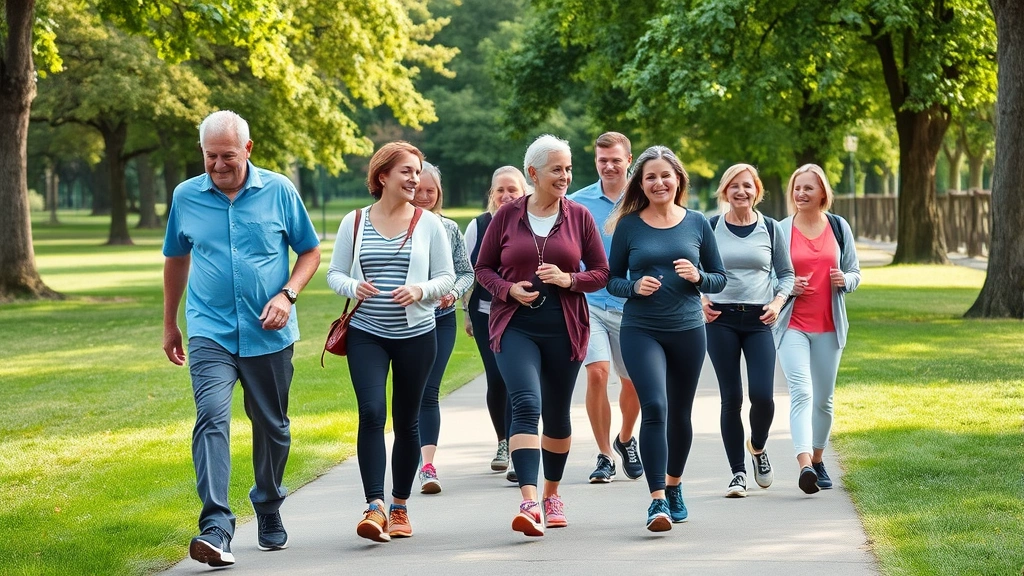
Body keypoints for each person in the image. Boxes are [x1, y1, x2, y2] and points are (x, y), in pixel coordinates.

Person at [162, 110, 322, 567]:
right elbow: (176, 259)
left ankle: (268, 506)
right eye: (210, 156)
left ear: (247, 149)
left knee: (273, 426)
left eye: (227, 155)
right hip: (209, 329)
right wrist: (170, 323)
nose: (217, 165)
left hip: (268, 332)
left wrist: (287, 295)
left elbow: (309, 250)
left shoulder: (278, 191)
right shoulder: (186, 196)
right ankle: (215, 526)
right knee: (211, 417)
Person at [474, 134, 610, 537]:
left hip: (564, 327)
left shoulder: (580, 216)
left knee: (556, 412)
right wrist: (507, 289)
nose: (565, 175)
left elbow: (601, 272)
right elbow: (482, 268)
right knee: (526, 402)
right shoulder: (507, 216)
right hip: (515, 325)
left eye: (568, 168)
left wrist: (570, 279)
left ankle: (552, 494)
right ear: (533, 173)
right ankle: (529, 501)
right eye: (557, 169)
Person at [326, 142, 455, 542]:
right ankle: (373, 506)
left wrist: (420, 290)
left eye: (417, 172)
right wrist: (353, 285)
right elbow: (334, 273)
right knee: (371, 412)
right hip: (367, 333)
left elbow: (447, 278)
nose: (415, 179)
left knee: (407, 420)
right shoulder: (354, 221)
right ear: (383, 176)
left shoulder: (429, 224)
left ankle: (399, 507)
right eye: (407, 171)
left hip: (417, 335)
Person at [605, 145, 726, 531]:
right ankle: (657, 500)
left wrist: (698, 277)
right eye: (650, 177)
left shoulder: (697, 223)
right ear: (641, 183)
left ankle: (674, 486)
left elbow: (719, 278)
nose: (659, 182)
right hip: (641, 329)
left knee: (679, 412)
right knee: (655, 406)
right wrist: (634, 285)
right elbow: (612, 280)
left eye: (665, 176)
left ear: (678, 180)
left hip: (688, 329)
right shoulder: (629, 225)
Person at [702, 164, 794, 498]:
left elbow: (786, 274)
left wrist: (778, 301)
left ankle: (757, 446)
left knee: (763, 396)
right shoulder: (710, 227)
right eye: (733, 186)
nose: (740, 192)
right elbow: (695, 271)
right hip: (720, 320)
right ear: (724, 191)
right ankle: (737, 474)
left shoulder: (770, 229)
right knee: (732, 398)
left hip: (759, 320)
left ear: (757, 190)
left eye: (747, 186)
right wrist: (701, 299)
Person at [773, 164, 860, 494]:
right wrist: (787, 285)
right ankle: (805, 464)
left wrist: (845, 281)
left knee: (823, 400)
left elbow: (854, 271)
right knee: (802, 391)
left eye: (808, 188)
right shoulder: (781, 230)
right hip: (792, 325)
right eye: (797, 187)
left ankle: (820, 459)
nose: (801, 193)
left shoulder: (838, 227)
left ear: (823, 193)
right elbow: (769, 277)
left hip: (829, 325)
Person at [568, 132, 643, 483]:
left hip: (634, 306)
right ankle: (604, 455)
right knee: (597, 372)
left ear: (629, 159)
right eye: (602, 161)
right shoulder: (577, 203)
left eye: (616, 159)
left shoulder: (644, 199)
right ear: (595, 162)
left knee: (634, 383)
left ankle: (625, 438)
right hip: (591, 303)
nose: (609, 166)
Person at [462, 166, 528, 481]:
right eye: (499, 190)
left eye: (512, 189)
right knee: (498, 379)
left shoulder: (533, 223)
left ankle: (520, 448)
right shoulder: (479, 225)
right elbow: (469, 270)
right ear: (492, 194)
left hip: (524, 314)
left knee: (521, 381)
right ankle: (503, 441)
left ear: (524, 191)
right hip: (487, 314)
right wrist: (465, 313)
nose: (505, 196)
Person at [413, 162, 475, 494]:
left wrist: (452, 294)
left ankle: (427, 465)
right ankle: (405, 458)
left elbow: (466, 272)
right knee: (408, 393)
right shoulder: (392, 226)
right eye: (417, 189)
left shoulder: (448, 228)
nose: (423, 196)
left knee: (428, 390)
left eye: (430, 191)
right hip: (398, 323)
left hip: (439, 322)